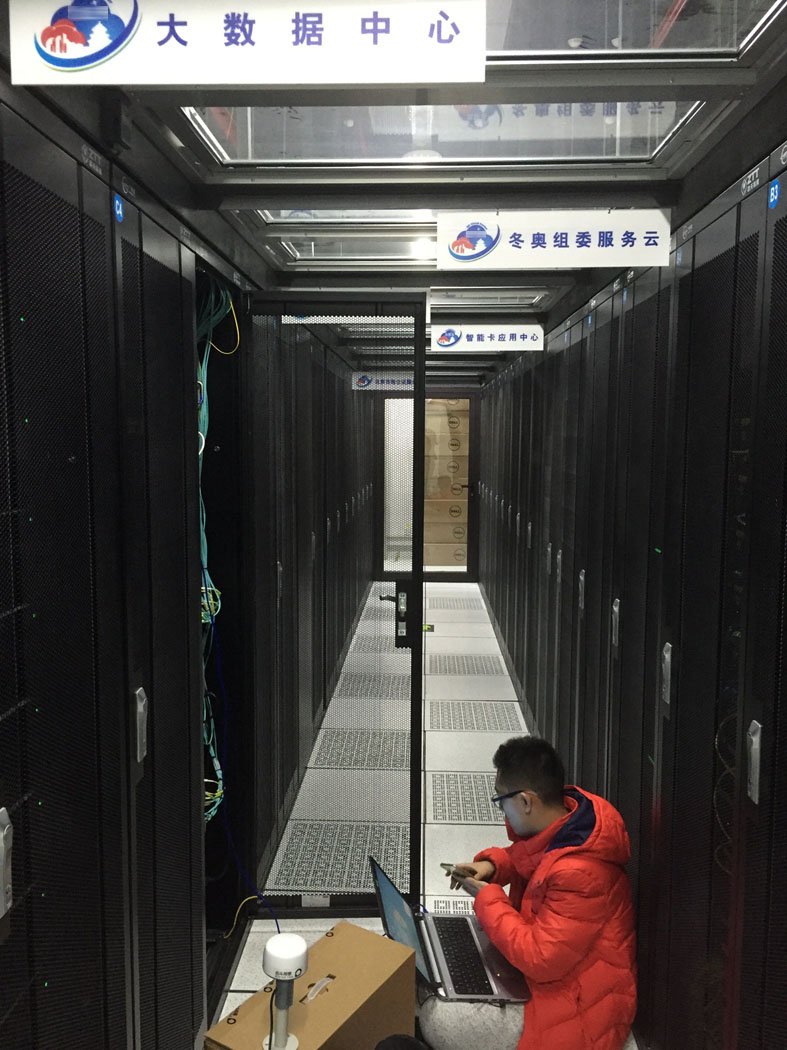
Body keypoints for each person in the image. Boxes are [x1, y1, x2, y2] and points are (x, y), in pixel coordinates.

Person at [419, 736, 636, 1050]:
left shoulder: (581, 874)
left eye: (501, 800)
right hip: (557, 980)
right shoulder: (568, 822)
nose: (502, 811)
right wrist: (492, 866)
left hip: (578, 1011)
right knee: (433, 974)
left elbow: (539, 959)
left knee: (439, 1018)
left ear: (525, 802)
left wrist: (487, 898)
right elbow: (534, 857)